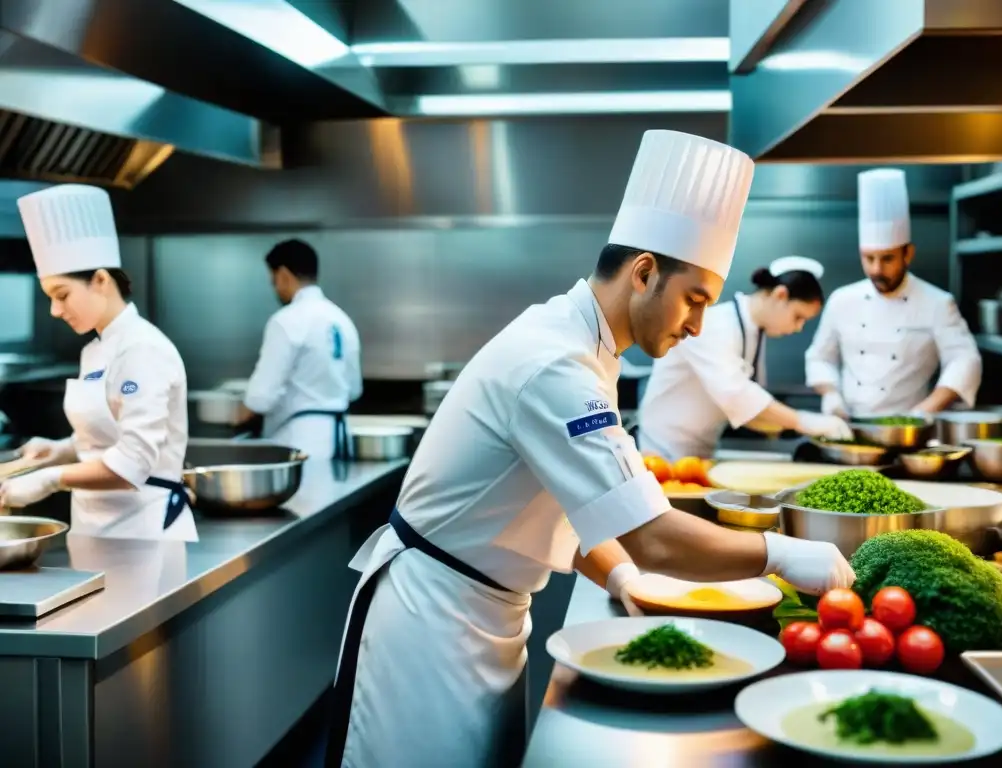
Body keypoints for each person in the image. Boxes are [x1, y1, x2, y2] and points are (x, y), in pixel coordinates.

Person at [323, 130, 854, 768]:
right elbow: (654, 537)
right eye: (694, 300)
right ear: (644, 273)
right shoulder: (558, 365)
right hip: (431, 629)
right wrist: (785, 555)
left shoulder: (587, 349)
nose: (697, 324)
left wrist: (620, 572)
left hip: (483, 616)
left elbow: (574, 501)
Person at [0, 184, 197, 545]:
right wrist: (61, 449)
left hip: (145, 531)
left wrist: (51, 478)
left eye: (62, 295)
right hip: (95, 527)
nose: (55, 311)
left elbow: (133, 462)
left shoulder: (144, 348)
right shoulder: (95, 349)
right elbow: (106, 435)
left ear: (101, 280)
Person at [805, 169, 982, 418]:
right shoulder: (842, 301)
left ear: (907, 253)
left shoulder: (937, 303)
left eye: (887, 258)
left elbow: (965, 360)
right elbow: (819, 357)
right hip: (848, 424)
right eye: (869, 258)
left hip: (907, 428)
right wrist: (830, 394)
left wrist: (925, 411)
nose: (876, 269)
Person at [637, 256, 853, 459]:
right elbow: (737, 395)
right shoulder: (715, 325)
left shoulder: (754, 332)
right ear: (780, 295)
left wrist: (791, 428)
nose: (798, 328)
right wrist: (804, 421)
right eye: (798, 317)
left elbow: (751, 411)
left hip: (702, 450)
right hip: (662, 449)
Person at [236, 239, 362, 460]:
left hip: (300, 441)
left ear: (283, 274)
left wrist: (239, 415)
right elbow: (354, 389)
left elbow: (260, 397)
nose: (275, 288)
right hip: (339, 439)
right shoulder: (341, 320)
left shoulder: (286, 320)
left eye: (273, 280)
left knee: (306, 496)